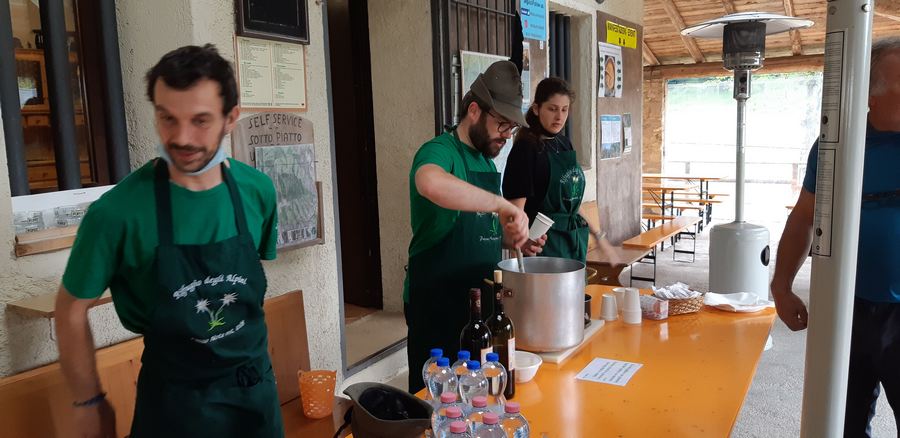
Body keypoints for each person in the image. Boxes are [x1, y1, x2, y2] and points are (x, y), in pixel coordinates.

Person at [54, 45, 282, 437]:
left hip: (254, 394)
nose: (182, 137)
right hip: (175, 405)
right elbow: (70, 309)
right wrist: (88, 402)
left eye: (200, 121)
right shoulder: (117, 213)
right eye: (167, 119)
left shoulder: (257, 191)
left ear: (231, 118)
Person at [771, 37, 900, 437]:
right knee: (842, 418)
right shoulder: (835, 146)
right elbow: (804, 217)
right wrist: (781, 286)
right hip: (847, 307)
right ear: (870, 96)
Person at [404, 61, 544, 393]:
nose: (507, 136)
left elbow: (483, 227)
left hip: (478, 311)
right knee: (436, 404)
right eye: (502, 125)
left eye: (511, 128)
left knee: (479, 399)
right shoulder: (440, 151)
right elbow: (429, 183)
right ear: (474, 111)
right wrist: (500, 204)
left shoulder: (484, 161)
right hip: (437, 305)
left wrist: (516, 239)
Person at [503, 77, 618, 264]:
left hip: (573, 242)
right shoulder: (525, 148)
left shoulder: (564, 143)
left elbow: (571, 202)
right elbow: (515, 212)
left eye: (564, 110)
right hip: (543, 247)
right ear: (536, 108)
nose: (559, 117)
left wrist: (598, 235)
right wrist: (521, 241)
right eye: (552, 109)